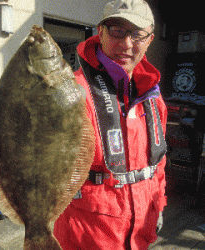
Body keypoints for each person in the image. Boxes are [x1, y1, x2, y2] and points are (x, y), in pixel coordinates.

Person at [54, 0, 167, 249]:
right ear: (100, 32)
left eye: (137, 35)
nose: (127, 44)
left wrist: (158, 204)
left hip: (140, 235)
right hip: (86, 237)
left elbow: (158, 163)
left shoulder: (154, 96)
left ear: (149, 39)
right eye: (117, 31)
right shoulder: (70, 92)